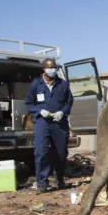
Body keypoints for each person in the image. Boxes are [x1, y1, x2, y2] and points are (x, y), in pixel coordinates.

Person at [25, 58, 74, 194]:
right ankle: (42, 183)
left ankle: (60, 179)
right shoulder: (36, 84)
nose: (53, 70)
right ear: (44, 69)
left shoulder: (63, 84)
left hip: (59, 123)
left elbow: (69, 102)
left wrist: (62, 112)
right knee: (41, 152)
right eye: (50, 67)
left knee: (61, 153)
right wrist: (40, 111)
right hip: (42, 122)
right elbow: (29, 103)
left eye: (54, 68)